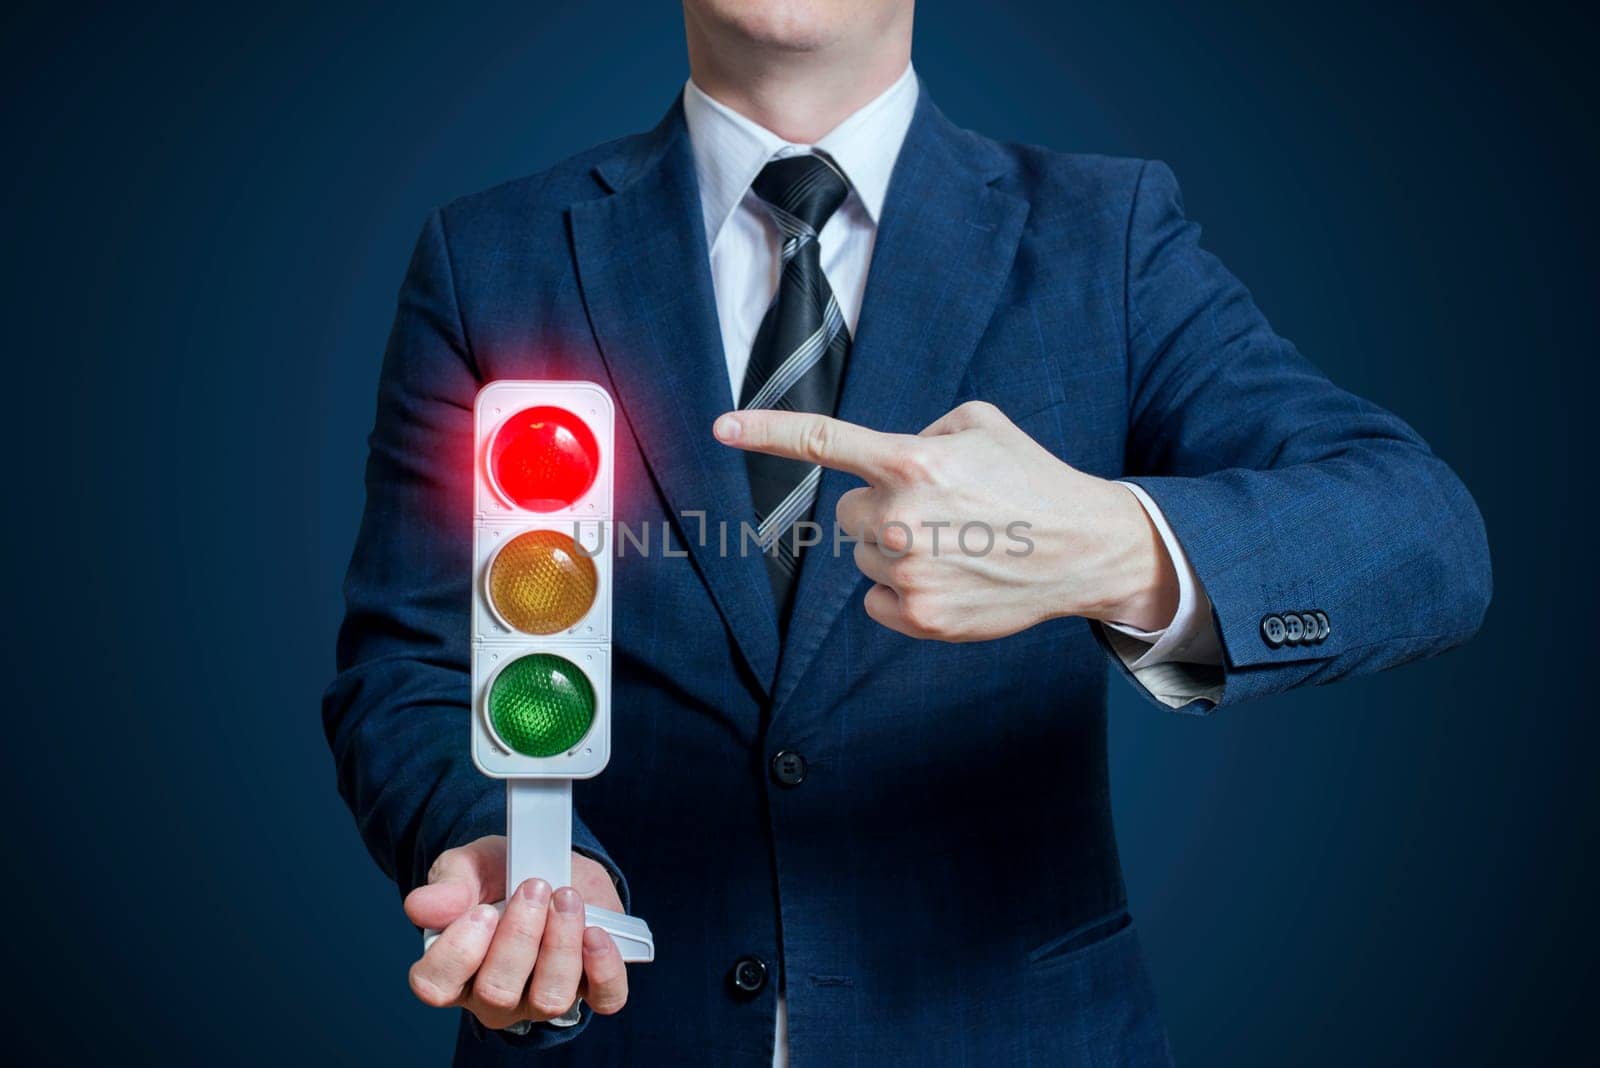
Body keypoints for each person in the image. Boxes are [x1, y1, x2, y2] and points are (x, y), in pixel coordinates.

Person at [322, 1, 1491, 1063]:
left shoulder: (1108, 238)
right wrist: (502, 851)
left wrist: (1109, 546)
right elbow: (410, 665)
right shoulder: (492, 254)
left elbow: (1425, 541)